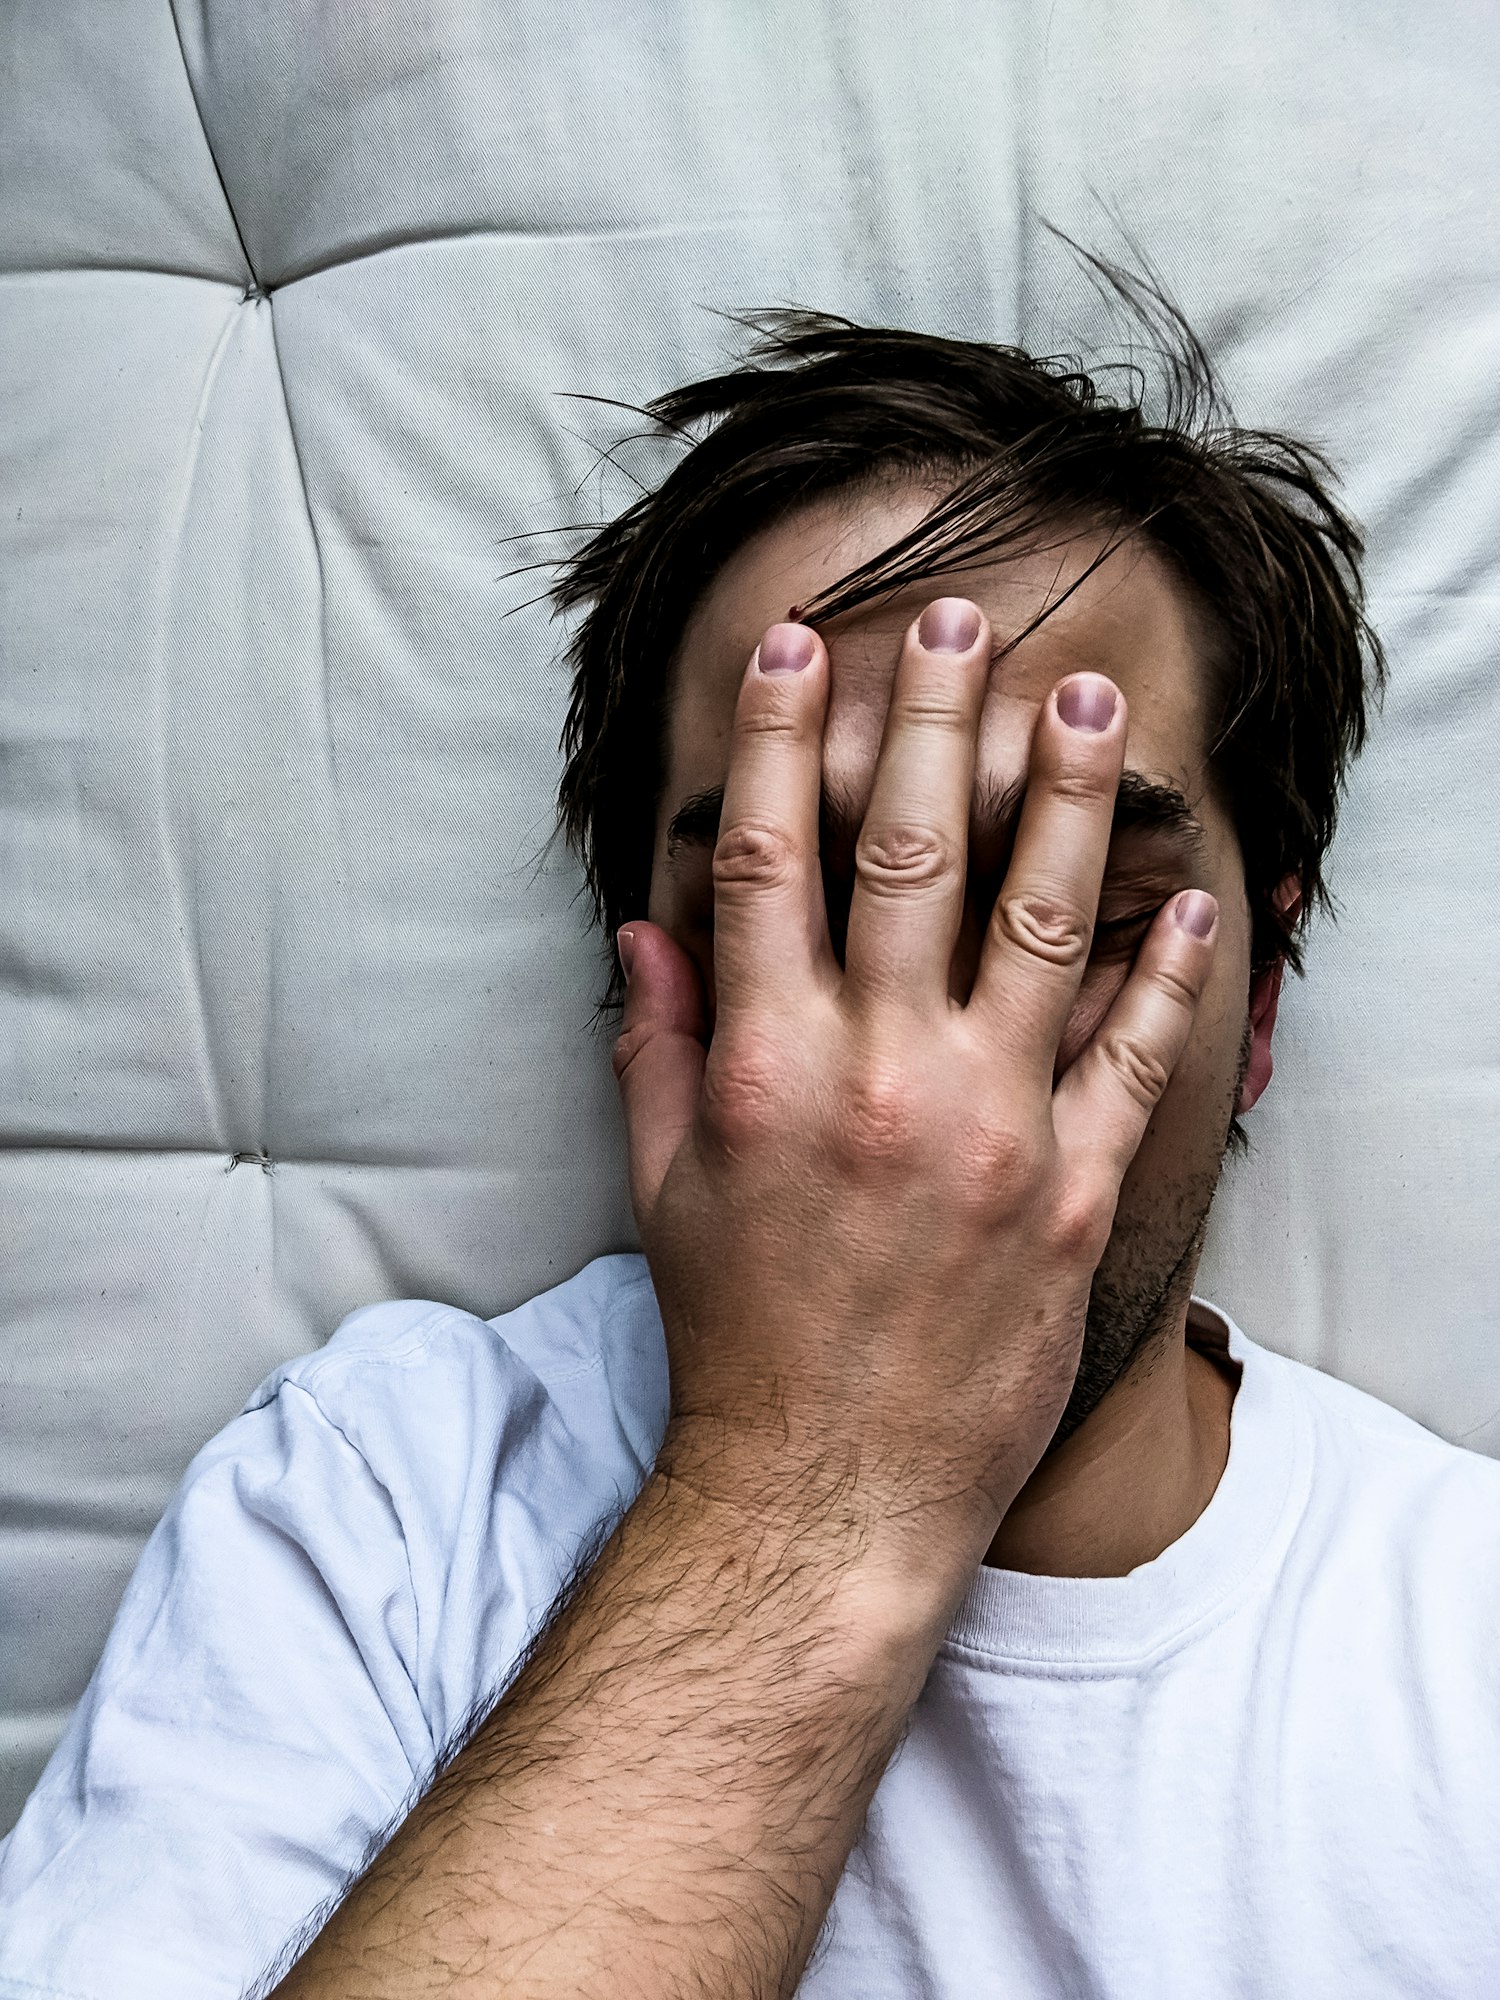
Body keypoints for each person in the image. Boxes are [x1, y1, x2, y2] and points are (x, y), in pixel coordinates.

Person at [3, 288, 1498, 2000]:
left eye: (1076, 898)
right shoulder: (374, 1508)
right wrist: (817, 1487)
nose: (915, 1067)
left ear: (1264, 998)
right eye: (782, 886)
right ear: (637, 986)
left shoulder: (1465, 1643)